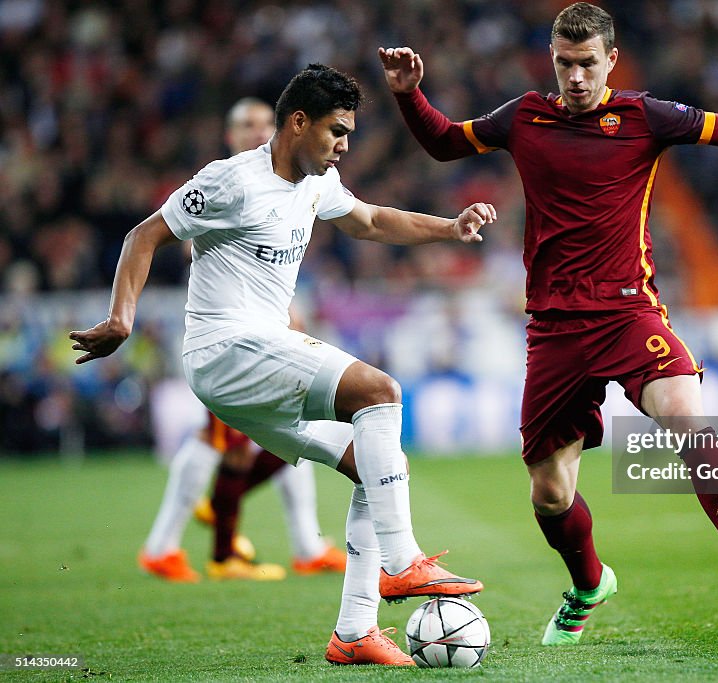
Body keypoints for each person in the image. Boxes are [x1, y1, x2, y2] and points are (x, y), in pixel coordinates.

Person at [379, 1, 718, 645]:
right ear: (551, 61)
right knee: (549, 495)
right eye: (563, 64)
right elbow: (445, 143)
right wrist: (411, 96)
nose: (574, 78)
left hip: (629, 310)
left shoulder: (644, 117)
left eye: (586, 65)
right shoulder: (524, 115)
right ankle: (588, 583)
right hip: (553, 327)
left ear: (610, 60)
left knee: (687, 419)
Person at [71, 63, 493, 666]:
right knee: (380, 390)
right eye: (336, 131)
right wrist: (121, 318)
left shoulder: (318, 183)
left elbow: (372, 220)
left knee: (377, 466)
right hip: (223, 349)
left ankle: (354, 634)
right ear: (298, 122)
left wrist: (451, 228)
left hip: (254, 354)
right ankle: (402, 563)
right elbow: (144, 235)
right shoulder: (232, 181)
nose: (344, 145)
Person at [139, 97, 347, 583]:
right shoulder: (225, 183)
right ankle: (198, 543)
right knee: (240, 441)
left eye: (262, 124)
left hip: (261, 330)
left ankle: (298, 542)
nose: (257, 132)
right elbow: (185, 244)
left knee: (239, 439)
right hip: (221, 336)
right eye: (246, 126)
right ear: (231, 136)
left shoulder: (292, 182)